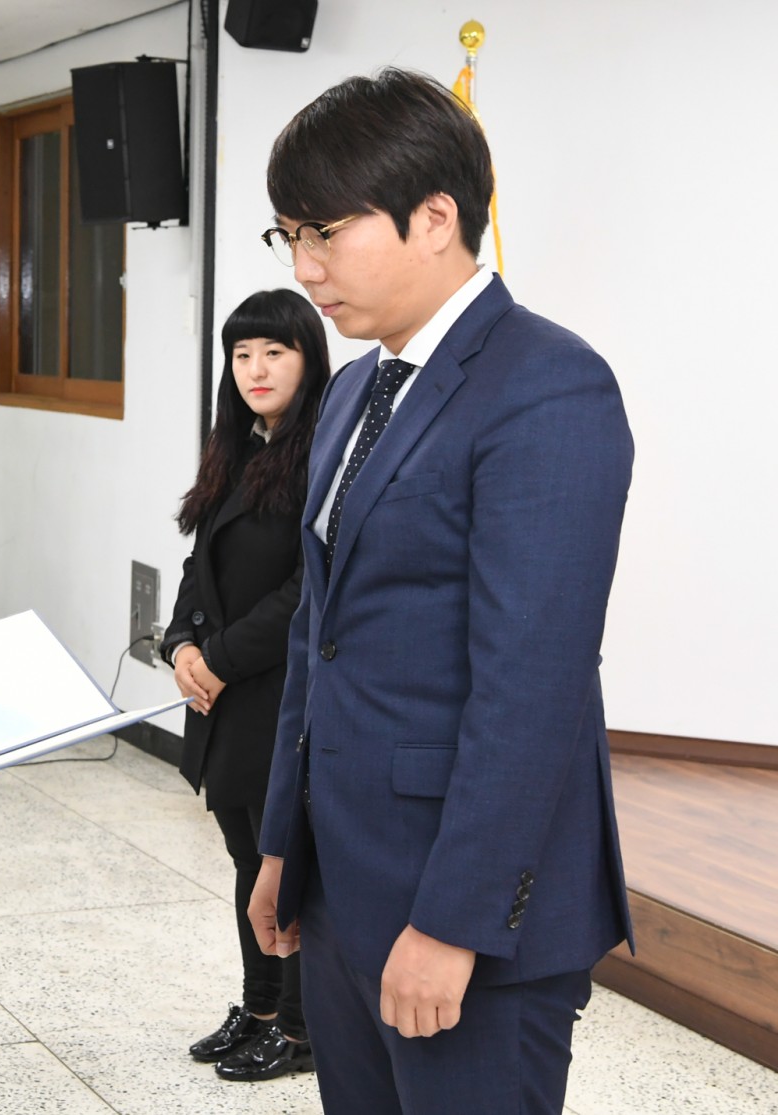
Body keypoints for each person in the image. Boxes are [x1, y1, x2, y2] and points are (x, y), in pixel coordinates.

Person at [246, 68, 634, 1115]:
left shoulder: (547, 384)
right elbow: (318, 635)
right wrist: (283, 843)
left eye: (327, 233)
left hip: (465, 911)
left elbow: (534, 685)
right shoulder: (353, 392)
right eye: (289, 236)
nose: (306, 268)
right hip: (342, 878)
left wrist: (454, 922)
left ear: (434, 217)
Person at [162, 289, 327, 1084]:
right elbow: (200, 565)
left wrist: (219, 658)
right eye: (242, 354)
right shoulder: (237, 446)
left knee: (283, 864)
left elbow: (307, 588)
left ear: (308, 359)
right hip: (225, 692)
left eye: (275, 352)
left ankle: (299, 1028)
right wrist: (181, 644)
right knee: (243, 856)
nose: (255, 368)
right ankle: (259, 1009)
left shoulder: (322, 452)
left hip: (277, 693)